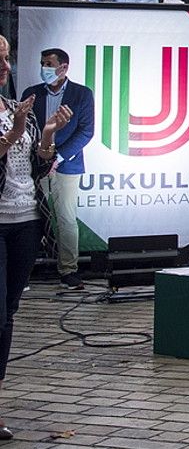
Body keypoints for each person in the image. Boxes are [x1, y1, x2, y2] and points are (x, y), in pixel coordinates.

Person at [0, 31, 71, 439]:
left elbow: (35, 167)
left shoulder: (13, 106)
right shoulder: (15, 114)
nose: (6, 68)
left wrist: (44, 135)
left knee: (8, 315)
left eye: (7, 58)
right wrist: (13, 132)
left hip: (25, 221)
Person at [21, 48, 94, 290]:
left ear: (63, 67)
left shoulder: (81, 94)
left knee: (65, 217)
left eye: (49, 64)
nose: (45, 68)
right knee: (31, 217)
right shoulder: (31, 93)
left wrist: (58, 157)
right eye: (42, 63)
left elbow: (86, 131)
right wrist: (41, 157)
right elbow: (25, 128)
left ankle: (68, 270)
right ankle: (26, 268)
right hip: (36, 164)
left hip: (68, 164)